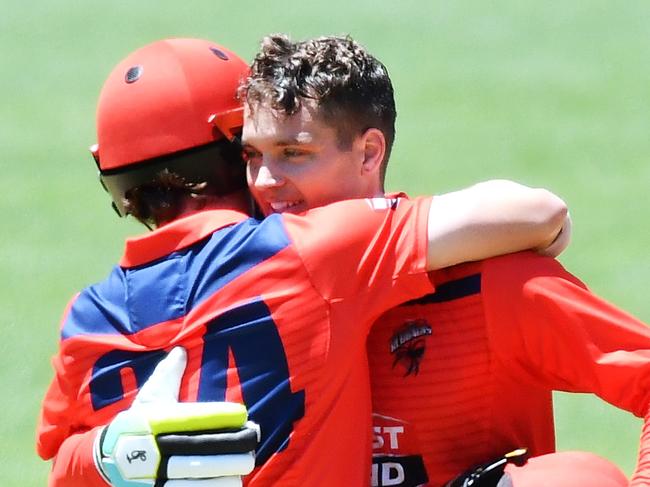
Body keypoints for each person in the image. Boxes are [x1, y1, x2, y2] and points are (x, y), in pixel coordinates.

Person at [35, 38, 569, 487]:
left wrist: (108, 451)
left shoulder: (83, 318)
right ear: (234, 147)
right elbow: (535, 212)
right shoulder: (309, 249)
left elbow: (60, 464)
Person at [239, 34, 650, 486]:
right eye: (252, 155)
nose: (263, 181)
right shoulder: (240, 290)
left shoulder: (492, 285)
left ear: (369, 153)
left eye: (293, 154)